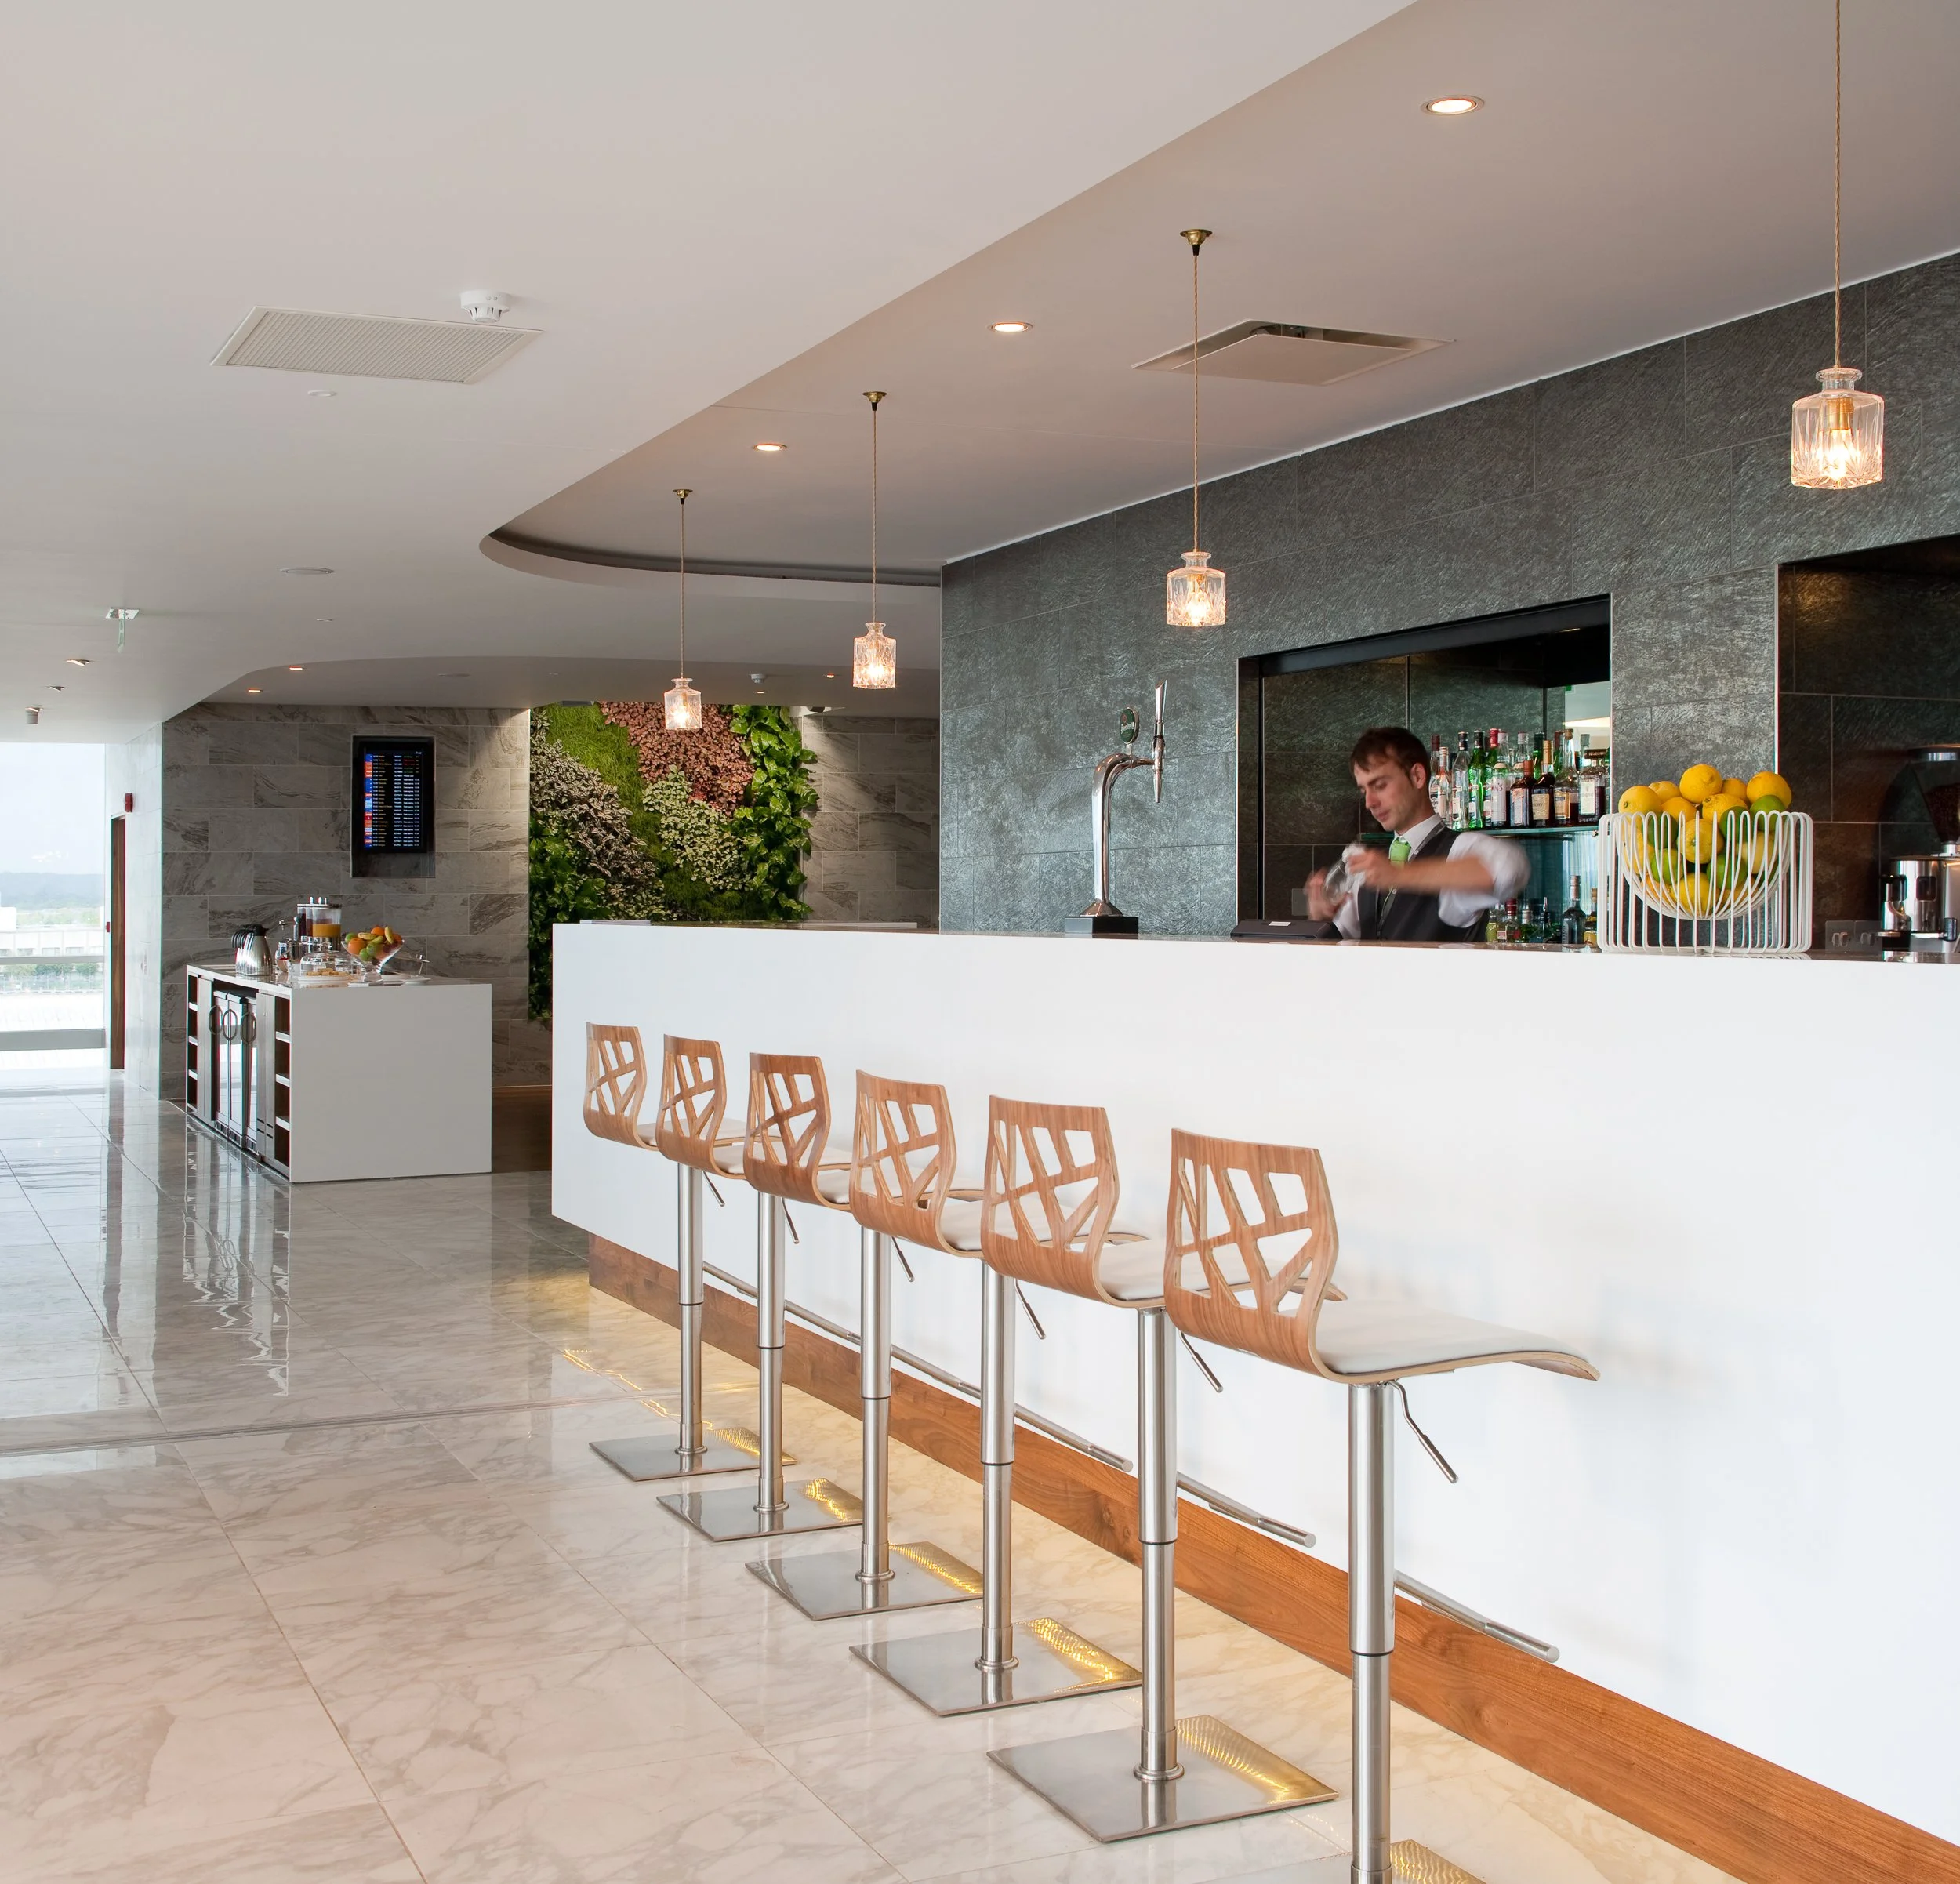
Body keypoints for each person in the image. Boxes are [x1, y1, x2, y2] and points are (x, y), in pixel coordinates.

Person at [1304, 725, 1528, 942]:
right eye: (1364, 790)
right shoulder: (1369, 867)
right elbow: (1343, 946)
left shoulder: (1458, 849)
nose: (1369, 803)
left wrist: (1399, 875)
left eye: (1380, 785)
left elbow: (1507, 869)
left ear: (1418, 777)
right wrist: (1320, 920)